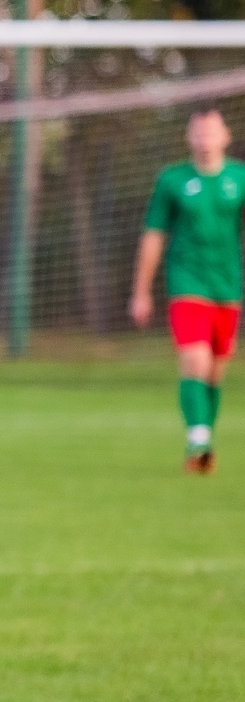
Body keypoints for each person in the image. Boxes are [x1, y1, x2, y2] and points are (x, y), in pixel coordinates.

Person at [130, 105, 245, 475]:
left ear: (225, 136)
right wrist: (141, 291)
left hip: (226, 286)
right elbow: (153, 235)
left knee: (215, 372)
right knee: (195, 360)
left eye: (211, 132)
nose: (204, 140)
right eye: (197, 133)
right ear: (188, 138)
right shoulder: (172, 180)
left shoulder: (239, 179)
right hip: (187, 282)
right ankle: (197, 437)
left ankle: (204, 435)